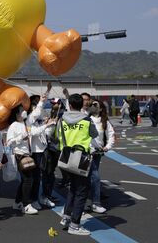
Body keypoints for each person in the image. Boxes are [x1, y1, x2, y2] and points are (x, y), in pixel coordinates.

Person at [57, 93, 98, 236]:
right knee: (82, 191)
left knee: (72, 188)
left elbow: (56, 136)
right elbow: (95, 134)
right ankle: (75, 225)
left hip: (66, 157)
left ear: (70, 105)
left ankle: (66, 216)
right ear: (81, 105)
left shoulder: (62, 119)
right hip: (81, 158)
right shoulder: (87, 120)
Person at [28, 91, 58, 210]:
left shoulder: (41, 116)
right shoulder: (30, 118)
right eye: (34, 103)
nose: (38, 106)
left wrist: (49, 124)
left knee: (47, 174)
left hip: (44, 148)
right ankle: (33, 199)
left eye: (38, 103)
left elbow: (45, 131)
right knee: (35, 177)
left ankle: (44, 196)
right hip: (35, 151)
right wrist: (46, 125)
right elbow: (34, 132)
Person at [6, 105, 38, 215]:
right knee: (28, 179)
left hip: (26, 154)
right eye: (21, 111)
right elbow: (9, 142)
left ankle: (17, 202)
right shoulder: (14, 125)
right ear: (16, 114)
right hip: (19, 155)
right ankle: (26, 204)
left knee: (26, 180)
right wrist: (21, 138)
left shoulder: (24, 124)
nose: (24, 112)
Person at [87, 101, 115, 214]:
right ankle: (94, 203)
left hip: (97, 154)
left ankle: (94, 202)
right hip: (85, 152)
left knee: (93, 177)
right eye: (91, 104)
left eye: (95, 105)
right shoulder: (85, 119)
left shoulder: (105, 122)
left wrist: (107, 147)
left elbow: (111, 135)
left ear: (101, 109)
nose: (92, 106)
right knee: (93, 177)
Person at [41, 98, 62, 204]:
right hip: (49, 148)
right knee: (47, 172)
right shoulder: (51, 114)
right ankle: (46, 195)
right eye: (52, 103)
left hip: (55, 147)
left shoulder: (62, 115)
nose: (53, 105)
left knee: (50, 172)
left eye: (56, 103)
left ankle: (47, 194)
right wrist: (47, 122)